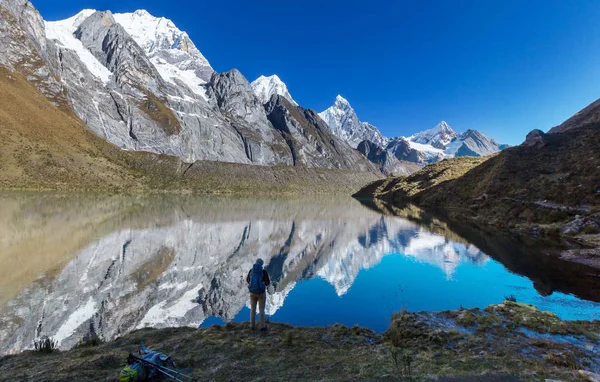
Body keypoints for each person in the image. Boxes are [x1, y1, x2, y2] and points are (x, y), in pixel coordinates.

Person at [246, 258, 270, 330]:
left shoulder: (251, 271)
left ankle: (252, 325)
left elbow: (248, 280)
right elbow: (267, 283)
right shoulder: (263, 272)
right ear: (262, 264)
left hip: (252, 293)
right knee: (261, 309)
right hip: (261, 293)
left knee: (253, 309)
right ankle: (262, 326)